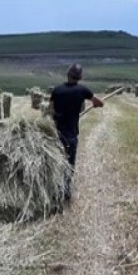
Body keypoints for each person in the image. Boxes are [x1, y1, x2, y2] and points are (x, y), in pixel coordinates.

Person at [49, 63, 103, 200]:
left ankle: (55, 189)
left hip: (57, 133)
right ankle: (65, 192)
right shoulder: (83, 91)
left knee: (57, 162)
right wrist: (95, 104)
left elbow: (51, 111)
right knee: (69, 163)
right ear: (79, 78)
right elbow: (99, 102)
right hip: (71, 134)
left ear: (68, 74)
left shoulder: (56, 91)